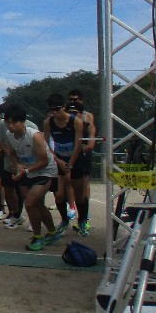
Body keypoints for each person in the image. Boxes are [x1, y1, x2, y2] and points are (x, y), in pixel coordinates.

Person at [0, 104, 62, 251]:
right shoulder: (9, 135)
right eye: (8, 122)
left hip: (45, 170)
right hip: (28, 171)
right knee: (36, 203)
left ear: (23, 122)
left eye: (14, 122)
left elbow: (44, 160)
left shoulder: (35, 135)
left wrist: (25, 171)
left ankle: (37, 237)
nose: (10, 126)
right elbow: (12, 153)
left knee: (30, 202)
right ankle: (52, 232)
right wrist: (17, 165)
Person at [43, 93, 82, 232]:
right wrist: (58, 161)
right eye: (52, 110)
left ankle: (82, 220)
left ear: (64, 107)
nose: (55, 113)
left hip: (76, 158)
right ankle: (64, 220)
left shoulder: (76, 121)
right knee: (59, 194)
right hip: (58, 158)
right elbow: (46, 144)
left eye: (57, 109)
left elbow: (78, 145)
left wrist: (70, 165)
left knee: (79, 192)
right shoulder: (48, 122)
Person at [67, 89, 96, 236]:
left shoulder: (87, 116)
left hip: (83, 153)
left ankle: (84, 215)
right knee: (68, 183)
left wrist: (84, 147)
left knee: (84, 184)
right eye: (71, 99)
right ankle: (71, 207)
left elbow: (91, 136)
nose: (73, 102)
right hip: (69, 154)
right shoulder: (66, 116)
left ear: (81, 100)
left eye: (76, 99)